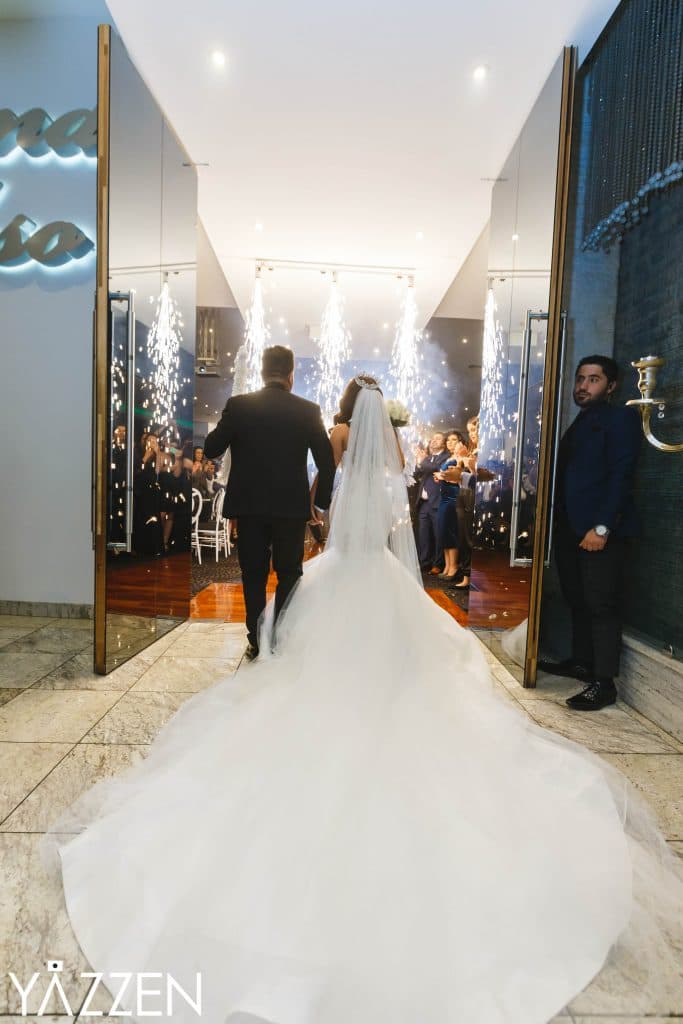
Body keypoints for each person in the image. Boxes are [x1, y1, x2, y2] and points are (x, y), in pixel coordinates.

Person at [43, 373, 682, 1024]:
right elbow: (392, 494)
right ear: (387, 414)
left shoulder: (340, 435)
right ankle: (385, 693)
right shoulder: (392, 449)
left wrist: (325, 514)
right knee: (399, 649)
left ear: (349, 408)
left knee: (309, 647)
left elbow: (330, 490)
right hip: (378, 564)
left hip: (343, 561)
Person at [203, 344, 336, 659]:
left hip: (248, 507)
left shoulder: (239, 406)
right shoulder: (308, 410)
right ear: (291, 375)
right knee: (289, 572)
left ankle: (256, 639)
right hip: (291, 508)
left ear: (262, 373)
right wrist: (319, 505)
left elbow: (211, 448)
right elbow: (327, 463)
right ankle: (280, 638)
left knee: (253, 573)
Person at [539, 354, 642, 711]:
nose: (583, 386)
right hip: (570, 531)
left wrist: (601, 527)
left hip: (600, 531)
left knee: (600, 604)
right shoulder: (581, 421)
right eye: (580, 378)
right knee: (577, 598)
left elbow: (621, 476)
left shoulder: (621, 418)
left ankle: (604, 683)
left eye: (593, 379)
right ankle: (581, 663)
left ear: (611, 386)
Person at [413, 431, 448, 572]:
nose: (433, 440)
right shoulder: (427, 458)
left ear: (444, 443)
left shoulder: (446, 457)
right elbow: (416, 472)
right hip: (424, 503)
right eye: (432, 438)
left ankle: (438, 564)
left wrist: (422, 461)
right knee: (423, 534)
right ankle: (424, 562)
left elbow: (434, 468)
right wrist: (419, 462)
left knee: (438, 534)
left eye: (438, 439)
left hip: (437, 501)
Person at [434, 430, 464, 580]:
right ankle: (447, 566)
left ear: (460, 442)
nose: (450, 442)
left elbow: (459, 477)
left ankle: (453, 566)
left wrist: (443, 476)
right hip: (444, 497)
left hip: (453, 497)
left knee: (451, 532)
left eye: (454, 440)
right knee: (444, 531)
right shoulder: (449, 457)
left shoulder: (460, 458)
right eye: (448, 440)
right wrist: (440, 477)